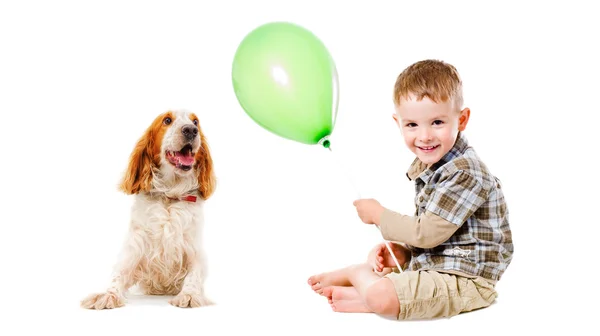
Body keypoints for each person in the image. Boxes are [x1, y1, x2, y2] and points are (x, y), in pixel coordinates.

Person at [307, 59, 513, 320]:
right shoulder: (434, 166)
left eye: (437, 122)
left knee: (382, 297)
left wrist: (380, 215)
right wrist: (405, 253)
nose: (424, 135)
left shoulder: (464, 172)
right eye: (412, 125)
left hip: (469, 279)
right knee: (386, 286)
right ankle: (368, 295)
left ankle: (358, 276)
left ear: (461, 119)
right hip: (440, 266)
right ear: (398, 123)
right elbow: (437, 231)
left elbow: (427, 232)